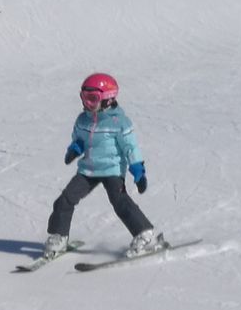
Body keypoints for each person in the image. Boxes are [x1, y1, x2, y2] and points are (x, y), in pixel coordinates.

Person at [43, 73, 160, 259]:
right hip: (88, 170)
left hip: (112, 170)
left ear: (107, 99)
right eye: (84, 97)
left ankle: (146, 235)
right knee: (64, 200)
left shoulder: (119, 123)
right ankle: (59, 236)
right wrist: (75, 148)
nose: (87, 103)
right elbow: (79, 139)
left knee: (120, 202)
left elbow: (131, 148)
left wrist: (138, 170)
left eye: (93, 98)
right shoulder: (83, 119)